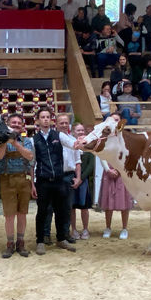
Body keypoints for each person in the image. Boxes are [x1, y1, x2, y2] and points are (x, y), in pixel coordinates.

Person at [32, 108, 78, 255]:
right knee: (42, 212)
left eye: (47, 117)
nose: (45, 119)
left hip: (59, 180)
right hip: (43, 181)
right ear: (37, 121)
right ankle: (40, 241)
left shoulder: (59, 135)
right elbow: (32, 163)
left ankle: (61, 238)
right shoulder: (34, 140)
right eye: (42, 117)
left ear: (51, 120)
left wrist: (82, 141)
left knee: (62, 211)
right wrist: (32, 182)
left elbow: (74, 144)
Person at [0, 113, 34, 258]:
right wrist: (6, 141)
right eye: (13, 123)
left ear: (22, 126)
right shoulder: (0, 141)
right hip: (7, 180)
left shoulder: (27, 141)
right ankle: (10, 244)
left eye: (19, 123)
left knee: (22, 213)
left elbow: (30, 156)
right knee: (9, 215)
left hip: (24, 179)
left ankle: (21, 243)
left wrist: (16, 143)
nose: (16, 125)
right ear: (8, 125)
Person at [41, 113, 81, 245]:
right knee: (48, 208)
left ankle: (64, 234)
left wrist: (78, 177)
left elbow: (77, 161)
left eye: (66, 123)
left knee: (66, 208)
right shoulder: (49, 140)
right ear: (56, 124)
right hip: (52, 177)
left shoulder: (73, 140)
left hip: (68, 176)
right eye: (61, 123)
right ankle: (46, 234)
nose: (64, 125)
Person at [99, 113, 133, 239]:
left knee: (124, 201)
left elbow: (129, 156)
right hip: (109, 171)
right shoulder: (104, 138)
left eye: (117, 120)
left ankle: (124, 228)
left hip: (122, 171)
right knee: (108, 201)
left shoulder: (126, 138)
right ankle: (108, 227)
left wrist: (120, 169)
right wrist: (108, 169)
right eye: (112, 120)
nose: (115, 122)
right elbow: (101, 154)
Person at [70, 123, 94, 240]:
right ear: (73, 131)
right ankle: (73, 229)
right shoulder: (70, 144)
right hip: (71, 179)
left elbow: (91, 165)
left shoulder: (88, 146)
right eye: (78, 130)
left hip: (83, 181)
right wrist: (74, 178)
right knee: (72, 207)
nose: (80, 132)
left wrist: (81, 178)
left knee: (84, 207)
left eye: (82, 130)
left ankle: (85, 229)